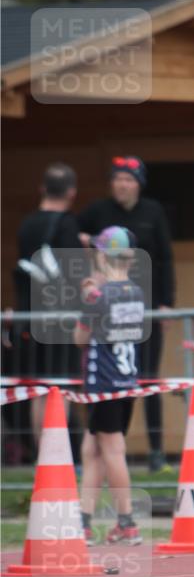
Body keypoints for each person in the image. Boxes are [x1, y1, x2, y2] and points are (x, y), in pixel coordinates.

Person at [78, 156, 175, 472]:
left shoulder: (153, 211)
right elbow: (73, 235)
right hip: (106, 308)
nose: (122, 184)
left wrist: (166, 304)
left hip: (142, 308)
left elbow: (166, 258)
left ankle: (156, 451)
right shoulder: (97, 211)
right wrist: (88, 252)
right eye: (117, 178)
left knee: (147, 377)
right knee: (108, 377)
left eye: (128, 179)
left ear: (139, 183)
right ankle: (106, 443)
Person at [74, 227, 143, 545]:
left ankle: (127, 521)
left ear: (103, 257)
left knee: (112, 451)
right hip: (126, 382)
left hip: (103, 383)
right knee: (93, 450)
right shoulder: (135, 292)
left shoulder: (97, 297)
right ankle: (84, 522)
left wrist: (88, 297)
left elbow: (80, 338)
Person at [11, 162, 82, 457]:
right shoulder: (68, 226)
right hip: (60, 319)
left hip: (29, 316)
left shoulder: (26, 225)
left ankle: (43, 457)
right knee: (60, 387)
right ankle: (57, 458)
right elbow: (74, 276)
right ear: (71, 193)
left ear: (42, 189)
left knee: (38, 389)